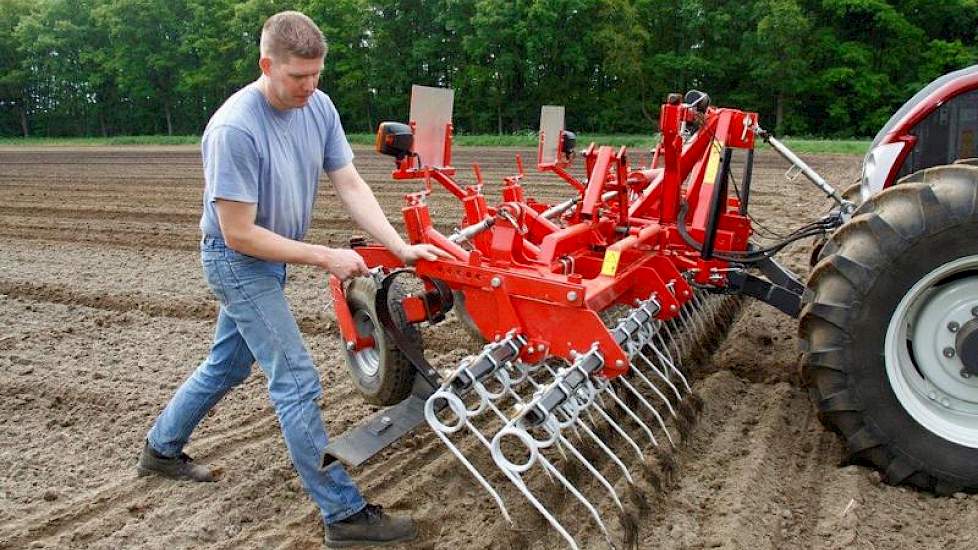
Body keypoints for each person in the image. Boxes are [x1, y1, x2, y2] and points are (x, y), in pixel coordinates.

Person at [136, 10, 447, 548]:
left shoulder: (318, 107)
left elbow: (348, 181)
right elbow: (238, 235)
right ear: (267, 65)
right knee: (297, 381)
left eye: (316, 74)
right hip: (237, 261)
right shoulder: (235, 128)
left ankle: (160, 450)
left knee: (227, 363)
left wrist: (398, 246)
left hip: (269, 257)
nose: (309, 86)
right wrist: (325, 256)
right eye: (297, 77)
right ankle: (344, 516)